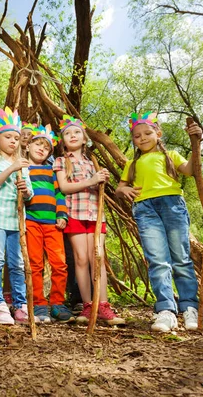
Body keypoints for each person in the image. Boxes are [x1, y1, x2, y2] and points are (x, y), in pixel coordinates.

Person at [116, 112, 201, 332]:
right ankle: (166, 310)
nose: (142, 138)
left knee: (181, 258)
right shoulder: (132, 163)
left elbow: (190, 170)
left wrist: (196, 144)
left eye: (147, 133)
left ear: (158, 134)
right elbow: (119, 187)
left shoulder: (171, 155)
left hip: (172, 204)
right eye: (136, 136)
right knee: (157, 260)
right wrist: (124, 189)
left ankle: (190, 308)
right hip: (145, 209)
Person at [54, 115, 125, 326]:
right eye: (67, 133)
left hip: (95, 214)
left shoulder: (91, 162)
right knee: (81, 259)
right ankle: (87, 304)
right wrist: (92, 180)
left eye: (76, 132)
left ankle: (103, 305)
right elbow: (65, 187)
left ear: (85, 139)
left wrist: (100, 180)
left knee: (98, 258)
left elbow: (95, 186)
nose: (72, 135)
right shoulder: (61, 161)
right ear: (63, 141)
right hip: (75, 212)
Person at [0, 107, 37, 325]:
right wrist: (12, 167)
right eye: (8, 137)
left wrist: (25, 190)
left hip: (17, 222)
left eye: (16, 138)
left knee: (16, 264)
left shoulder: (23, 165)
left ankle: (20, 304)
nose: (13, 142)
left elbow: (29, 195)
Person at [25, 124, 74, 324]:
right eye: (37, 144)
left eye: (45, 147)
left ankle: (57, 303)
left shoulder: (51, 170)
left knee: (60, 264)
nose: (41, 149)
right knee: (35, 264)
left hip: (53, 223)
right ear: (27, 146)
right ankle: (38, 303)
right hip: (31, 222)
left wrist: (62, 214)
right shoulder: (22, 169)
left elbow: (59, 194)